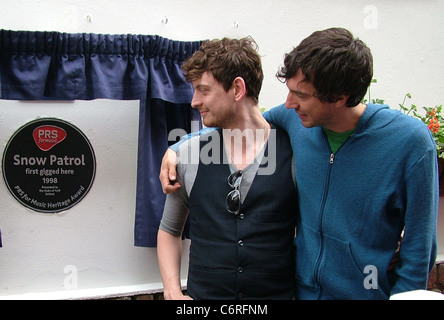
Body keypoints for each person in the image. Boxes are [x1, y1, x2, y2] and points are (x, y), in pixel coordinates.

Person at [159, 28, 438, 300]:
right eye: (290, 91)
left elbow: (419, 250)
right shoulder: (297, 119)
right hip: (303, 292)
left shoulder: (409, 142)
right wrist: (179, 146)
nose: (289, 103)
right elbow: (247, 119)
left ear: (340, 97)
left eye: (301, 95)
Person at [157, 37, 298, 300]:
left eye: (204, 90)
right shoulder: (187, 154)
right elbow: (169, 230)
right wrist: (172, 291)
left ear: (237, 88)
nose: (194, 101)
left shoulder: (294, 153)